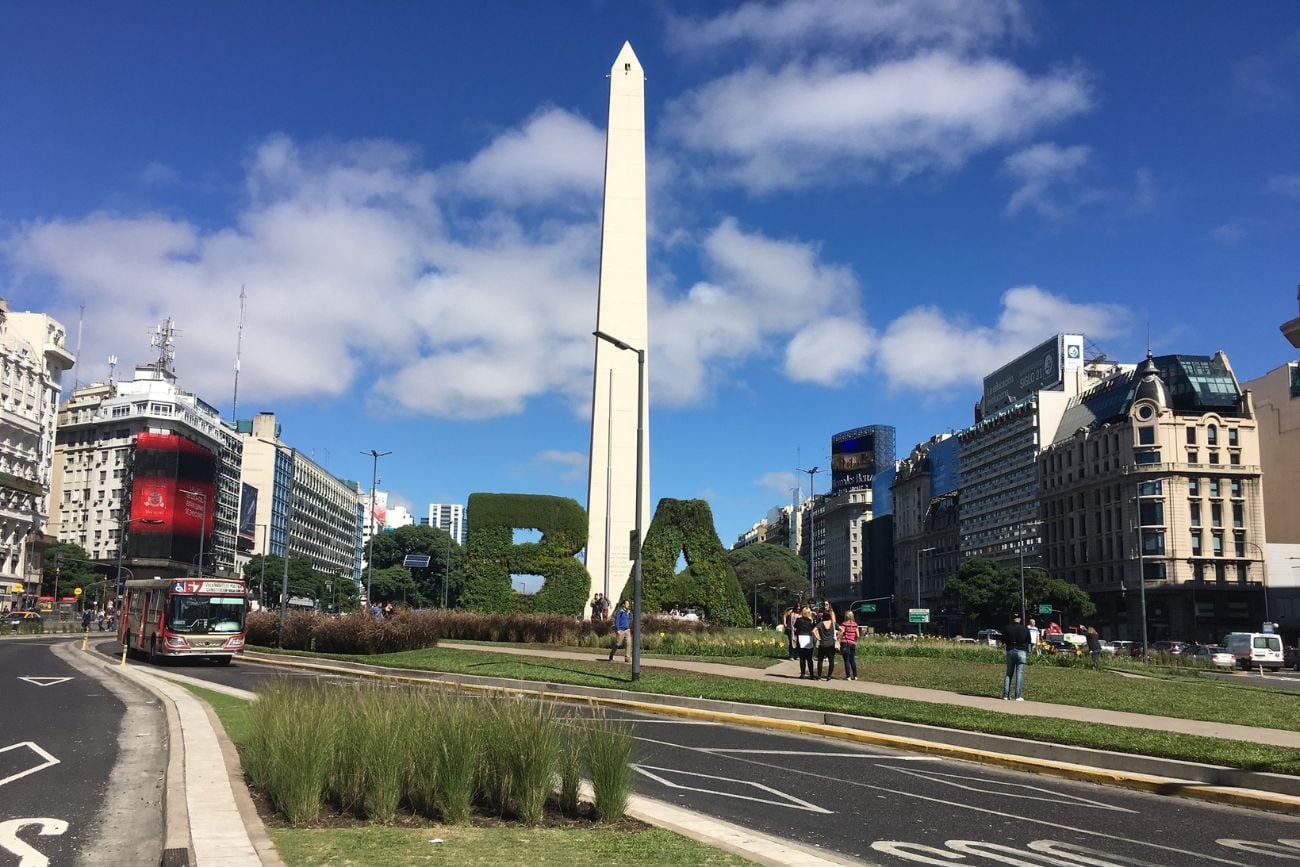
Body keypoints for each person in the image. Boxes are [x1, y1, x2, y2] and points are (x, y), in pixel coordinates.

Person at [1001, 612, 1032, 701]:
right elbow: (1029, 641)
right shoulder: (1025, 628)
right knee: (1019, 674)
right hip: (1021, 651)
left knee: (1008, 674)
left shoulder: (1007, 628)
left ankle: (1006, 695)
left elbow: (1002, 640)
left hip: (1010, 650)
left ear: (1012, 619)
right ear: (1020, 619)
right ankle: (1017, 696)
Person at [814, 608, 837, 680]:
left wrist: (818, 638)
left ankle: (819, 676)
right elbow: (842, 630)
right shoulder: (833, 623)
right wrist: (838, 637)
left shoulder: (820, 624)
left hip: (823, 644)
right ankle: (829, 676)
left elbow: (813, 631)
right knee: (831, 660)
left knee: (820, 660)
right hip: (831, 644)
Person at [793, 607, 816, 679]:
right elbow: (814, 629)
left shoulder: (799, 620)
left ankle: (802, 674)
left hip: (801, 637)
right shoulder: (811, 621)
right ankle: (811, 675)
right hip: (808, 638)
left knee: (802, 658)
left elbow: (795, 627)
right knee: (809, 658)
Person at [839, 611, 859, 681]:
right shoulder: (855, 624)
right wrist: (854, 640)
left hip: (845, 642)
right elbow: (858, 635)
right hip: (852, 643)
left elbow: (841, 632)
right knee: (852, 660)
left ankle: (848, 676)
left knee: (846, 660)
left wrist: (838, 637)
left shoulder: (844, 624)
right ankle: (855, 675)